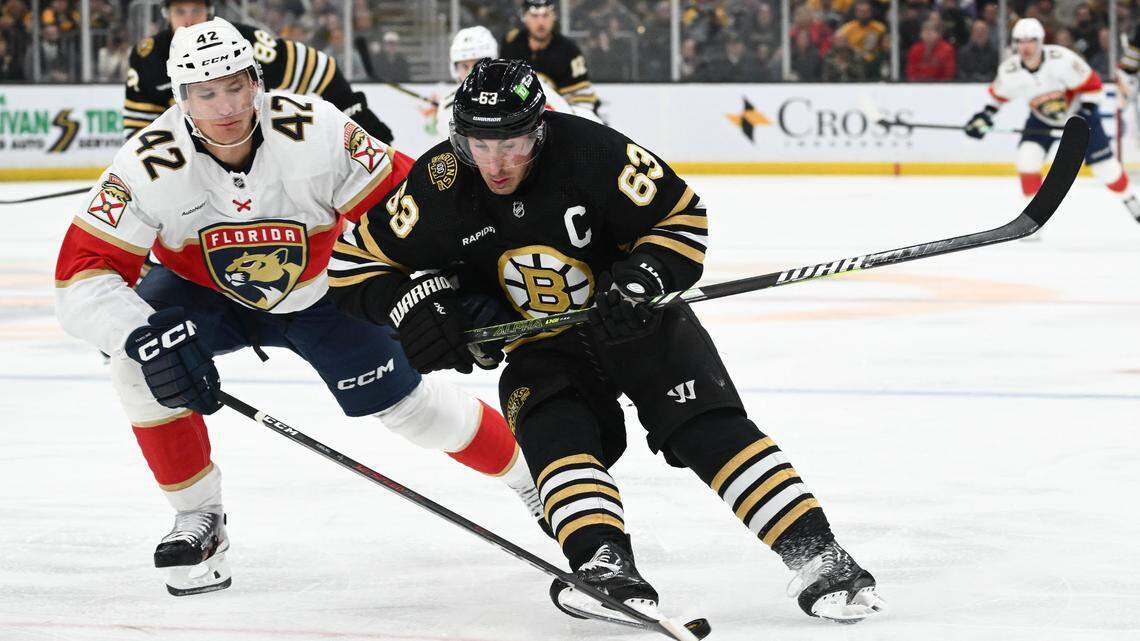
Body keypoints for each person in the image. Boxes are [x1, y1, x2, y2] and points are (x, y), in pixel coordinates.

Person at [329, 58, 888, 625]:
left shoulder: (592, 152)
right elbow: (353, 270)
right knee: (554, 431)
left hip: (639, 325)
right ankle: (604, 564)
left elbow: (682, 217)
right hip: (539, 345)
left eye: (513, 144)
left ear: (539, 128)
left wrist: (644, 279)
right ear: (459, 137)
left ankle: (820, 555)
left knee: (706, 427)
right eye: (480, 145)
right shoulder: (439, 184)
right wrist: (420, 305)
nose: (496, 163)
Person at [54, 20, 541, 598]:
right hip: (202, 296)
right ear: (180, 97)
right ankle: (199, 518)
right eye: (206, 93)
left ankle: (534, 483)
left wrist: (454, 284)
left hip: (321, 290)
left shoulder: (318, 130)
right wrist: (141, 334)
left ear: (256, 81)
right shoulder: (147, 162)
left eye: (236, 86)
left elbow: (412, 205)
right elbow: (80, 277)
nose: (226, 106)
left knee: (410, 409)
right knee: (139, 364)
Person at [124, 0, 392, 143]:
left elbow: (317, 68)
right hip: (193, 161)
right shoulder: (148, 57)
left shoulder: (242, 42)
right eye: (180, 10)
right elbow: (139, 126)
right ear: (165, 13)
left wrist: (351, 109)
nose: (189, 18)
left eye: (197, 9)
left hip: (255, 152)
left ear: (210, 10)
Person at [966, 18, 1140, 222]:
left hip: (1079, 119)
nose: (1026, 46)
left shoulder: (1063, 60)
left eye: (1031, 40)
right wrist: (983, 117)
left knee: (1106, 170)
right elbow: (997, 99)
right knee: (1027, 159)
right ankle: (1031, 218)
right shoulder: (1010, 70)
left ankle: (1130, 200)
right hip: (1042, 120)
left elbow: (1093, 86)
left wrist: (1087, 111)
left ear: (1041, 41)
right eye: (1020, 41)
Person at [431, 25, 600, 138]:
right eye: (463, 66)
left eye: (477, 64)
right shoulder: (449, 105)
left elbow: (564, 120)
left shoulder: (523, 84)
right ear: (454, 68)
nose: (470, 72)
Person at [500, 0, 601, 119]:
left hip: (558, 118)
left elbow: (581, 102)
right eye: (534, 16)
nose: (541, 22)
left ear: (554, 16)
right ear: (524, 17)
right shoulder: (511, 44)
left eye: (546, 15)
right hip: (519, 116)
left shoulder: (569, 51)